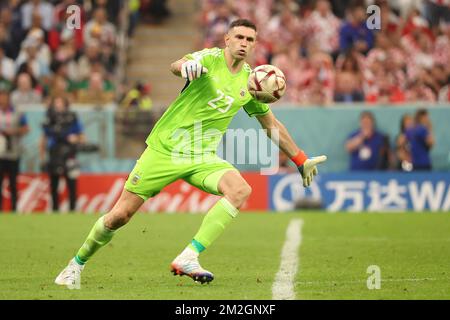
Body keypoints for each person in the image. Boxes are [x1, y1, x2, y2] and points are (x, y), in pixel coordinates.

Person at [54, 19, 327, 289]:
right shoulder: (208, 59)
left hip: (202, 156)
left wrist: (300, 159)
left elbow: (271, 126)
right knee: (120, 216)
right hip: (165, 149)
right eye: (240, 37)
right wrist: (187, 66)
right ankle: (75, 264)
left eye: (250, 39)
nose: (244, 43)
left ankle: (189, 256)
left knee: (240, 190)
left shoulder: (251, 82)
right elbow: (176, 66)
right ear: (227, 40)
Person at [39, 96, 85, 212]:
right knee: (54, 184)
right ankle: (55, 209)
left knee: (72, 183)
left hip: (70, 154)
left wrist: (76, 138)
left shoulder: (72, 118)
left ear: (65, 105)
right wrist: (42, 157)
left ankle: (73, 209)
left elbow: (82, 137)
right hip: (54, 154)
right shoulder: (50, 119)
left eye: (60, 102)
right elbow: (43, 139)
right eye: (56, 103)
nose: (58, 105)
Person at [0, 84, 29, 212]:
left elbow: (26, 128)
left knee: (13, 183)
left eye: (5, 95)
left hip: (13, 153)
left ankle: (14, 209)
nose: (3, 98)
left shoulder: (17, 112)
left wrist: (13, 131)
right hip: (0, 153)